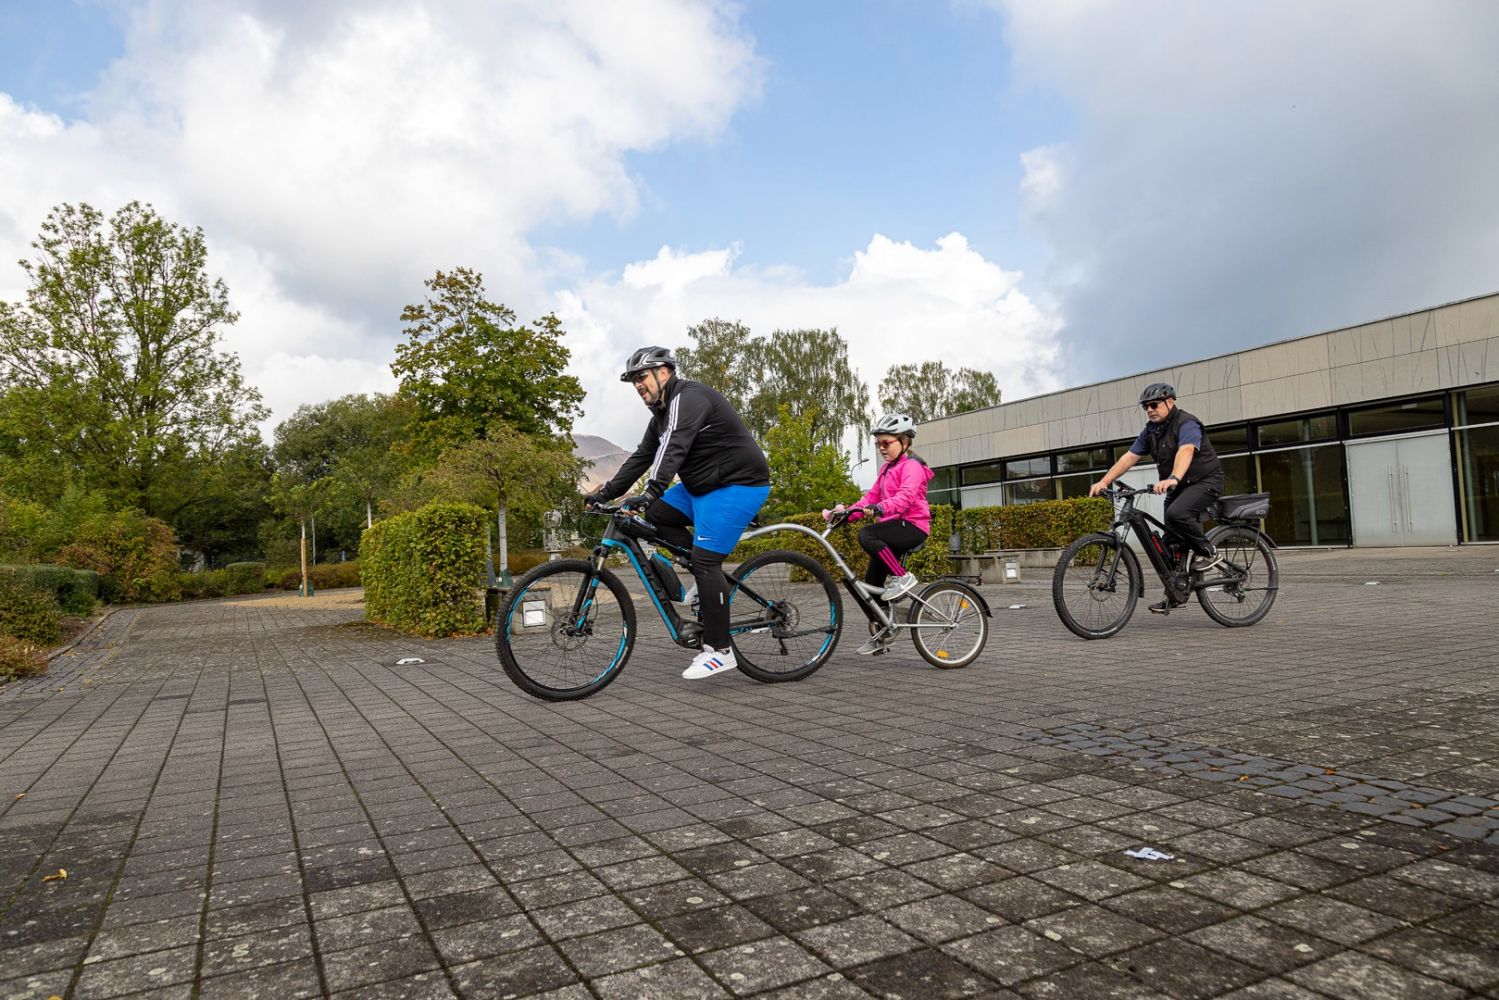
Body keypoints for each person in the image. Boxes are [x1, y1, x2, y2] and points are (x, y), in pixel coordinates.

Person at [585, 346, 771, 680]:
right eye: (633, 381)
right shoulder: (659, 416)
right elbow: (642, 457)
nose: (638, 385)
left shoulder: (688, 398)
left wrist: (651, 491)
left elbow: (674, 447)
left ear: (664, 372)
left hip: (738, 484)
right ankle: (704, 578)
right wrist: (605, 493)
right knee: (655, 516)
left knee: (706, 561)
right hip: (701, 487)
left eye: (642, 377)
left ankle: (720, 650)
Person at [1088, 382, 1225, 613]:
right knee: (1170, 541)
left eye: (1154, 405)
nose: (1150, 410)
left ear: (1170, 402)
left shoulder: (1187, 423)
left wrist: (1173, 477)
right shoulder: (1151, 431)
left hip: (1205, 481)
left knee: (1177, 514)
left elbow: (1186, 450)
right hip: (1178, 487)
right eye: (1146, 407)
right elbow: (1129, 457)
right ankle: (1175, 594)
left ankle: (1210, 553)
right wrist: (1104, 481)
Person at [824, 413, 934, 654]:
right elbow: (869, 499)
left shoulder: (912, 466)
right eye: (878, 444)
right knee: (868, 587)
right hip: (892, 529)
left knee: (867, 535)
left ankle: (902, 577)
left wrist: (881, 508)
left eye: (886, 443)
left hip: (912, 526)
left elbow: (905, 497)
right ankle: (885, 629)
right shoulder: (886, 470)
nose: (881, 448)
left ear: (904, 441)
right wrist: (845, 514)